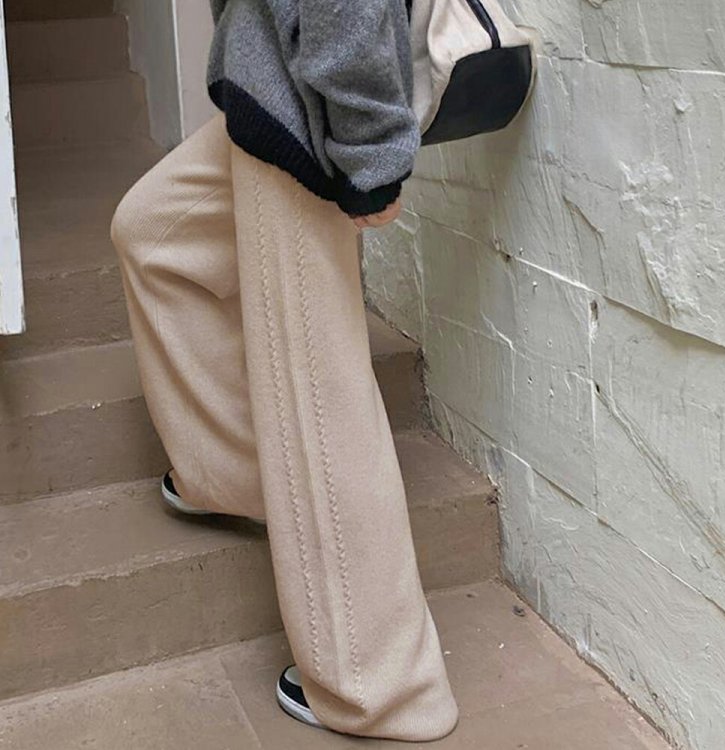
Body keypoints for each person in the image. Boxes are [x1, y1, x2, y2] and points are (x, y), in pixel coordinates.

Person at [110, 0, 459, 741]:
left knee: (318, 396)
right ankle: (238, 476)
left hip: (307, 118)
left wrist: (370, 154)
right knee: (152, 233)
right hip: (268, 85)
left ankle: (381, 686)